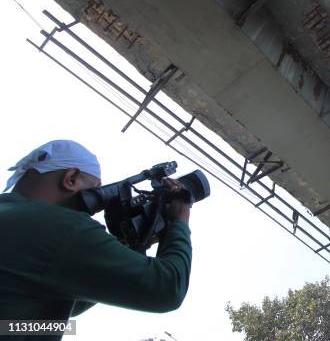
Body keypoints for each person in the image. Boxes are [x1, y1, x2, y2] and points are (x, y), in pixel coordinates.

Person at [0, 140, 192, 339]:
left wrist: (129, 248)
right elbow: (168, 289)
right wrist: (180, 219)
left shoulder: (7, 211)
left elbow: (47, 308)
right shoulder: (63, 227)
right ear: (71, 178)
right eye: (95, 190)